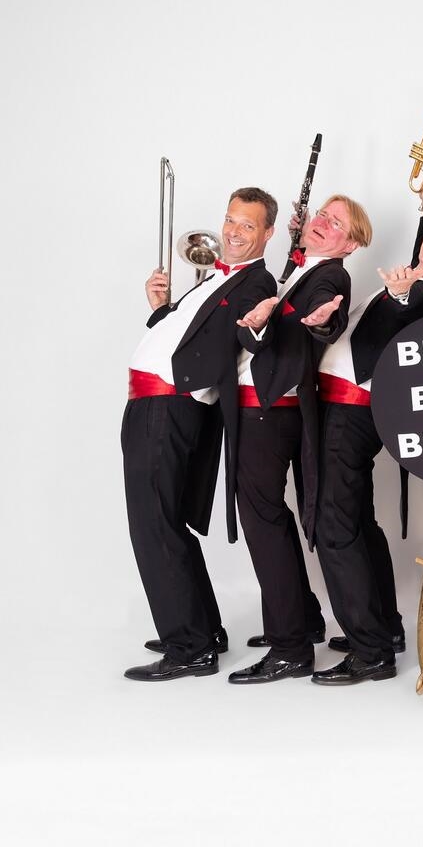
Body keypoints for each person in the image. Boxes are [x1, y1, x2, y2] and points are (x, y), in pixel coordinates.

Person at [290, 180, 423, 686]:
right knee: (356, 522)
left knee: (334, 527)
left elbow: (414, 312)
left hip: (353, 413)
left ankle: (371, 651)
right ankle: (385, 629)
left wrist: (396, 295)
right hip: (340, 409)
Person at [123, 187, 279, 681]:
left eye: (247, 225)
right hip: (160, 403)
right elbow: (190, 334)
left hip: (169, 405)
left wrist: (187, 387)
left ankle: (187, 647)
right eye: (230, 220)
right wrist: (160, 312)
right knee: (167, 520)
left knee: (154, 525)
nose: (232, 231)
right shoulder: (216, 279)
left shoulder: (256, 282)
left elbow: (234, 341)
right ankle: (203, 628)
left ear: (268, 234)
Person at [222, 195, 365, 684]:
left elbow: (327, 320)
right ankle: (300, 620)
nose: (324, 223)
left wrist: (322, 320)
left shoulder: (331, 276)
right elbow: (264, 334)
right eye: (321, 214)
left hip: (270, 410)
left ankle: (290, 648)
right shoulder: (302, 268)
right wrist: (261, 321)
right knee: (269, 517)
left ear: (352, 241)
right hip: (260, 407)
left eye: (336, 222)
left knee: (263, 522)